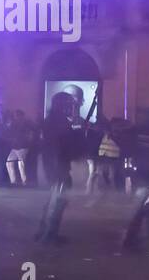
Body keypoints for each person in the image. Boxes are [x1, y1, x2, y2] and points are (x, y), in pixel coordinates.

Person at [34, 91, 87, 244]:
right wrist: (79, 134)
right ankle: (49, 235)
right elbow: (64, 144)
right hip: (58, 166)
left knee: (54, 199)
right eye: (68, 104)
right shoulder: (58, 122)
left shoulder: (53, 120)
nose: (71, 107)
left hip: (55, 165)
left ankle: (43, 231)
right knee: (58, 200)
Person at [120, 108, 149, 250]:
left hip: (143, 174)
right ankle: (130, 239)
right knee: (142, 206)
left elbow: (128, 149)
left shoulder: (138, 130)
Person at [5, 110, 32, 186]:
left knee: (21, 163)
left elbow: (29, 134)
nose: (16, 117)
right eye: (15, 115)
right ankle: (13, 181)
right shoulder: (14, 124)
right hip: (15, 147)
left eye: (17, 115)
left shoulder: (26, 123)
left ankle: (24, 181)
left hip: (22, 146)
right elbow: (10, 133)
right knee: (9, 162)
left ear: (21, 116)